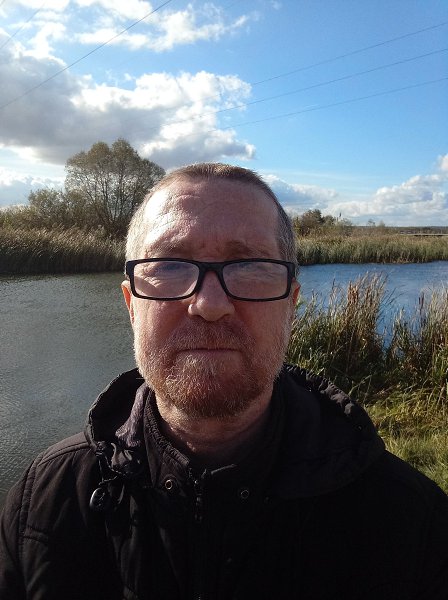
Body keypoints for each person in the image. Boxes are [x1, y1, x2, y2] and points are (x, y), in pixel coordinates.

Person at [1, 163, 447, 600]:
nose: (209, 305)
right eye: (170, 265)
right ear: (131, 305)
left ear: (290, 305)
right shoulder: (43, 503)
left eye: (249, 265)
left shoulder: (412, 524)